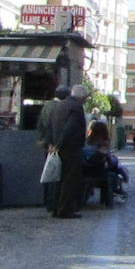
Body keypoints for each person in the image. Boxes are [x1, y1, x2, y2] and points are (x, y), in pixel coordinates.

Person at [51, 85, 89, 219]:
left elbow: (53, 125)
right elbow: (70, 127)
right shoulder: (76, 107)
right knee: (69, 180)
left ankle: (56, 208)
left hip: (59, 147)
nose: (86, 100)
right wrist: (60, 144)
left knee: (59, 180)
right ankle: (65, 210)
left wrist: (54, 143)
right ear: (82, 97)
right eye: (86, 97)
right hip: (71, 148)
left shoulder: (60, 105)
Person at [36, 85, 70, 214]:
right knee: (55, 173)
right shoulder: (59, 107)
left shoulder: (47, 106)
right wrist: (52, 143)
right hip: (55, 145)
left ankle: (48, 200)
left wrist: (43, 141)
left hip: (47, 144)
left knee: (49, 171)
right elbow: (53, 126)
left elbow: (40, 124)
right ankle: (52, 202)